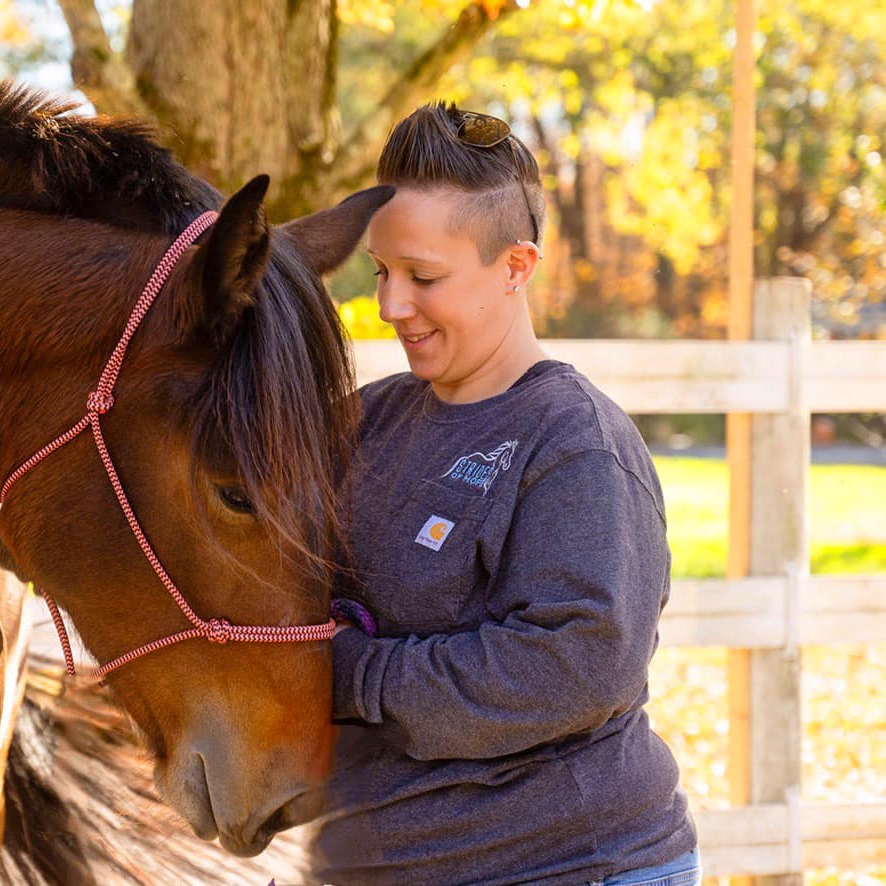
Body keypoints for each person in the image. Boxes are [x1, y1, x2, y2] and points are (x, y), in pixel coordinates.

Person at [312, 102, 699, 885]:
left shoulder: (570, 442)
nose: (390, 306)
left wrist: (343, 673)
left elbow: (575, 666)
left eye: (423, 277)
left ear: (515, 267)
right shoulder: (365, 421)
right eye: (382, 272)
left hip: (567, 866)